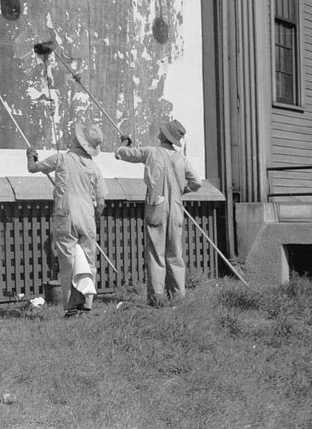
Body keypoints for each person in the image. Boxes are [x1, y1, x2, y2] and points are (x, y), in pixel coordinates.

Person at [114, 119, 202, 308]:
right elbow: (197, 182)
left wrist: (124, 143)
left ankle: (157, 297)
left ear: (163, 135)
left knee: (156, 253)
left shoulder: (151, 152)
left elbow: (122, 154)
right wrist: (180, 191)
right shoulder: (181, 159)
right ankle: (178, 296)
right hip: (176, 208)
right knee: (175, 252)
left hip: (156, 206)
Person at [27, 121, 107, 317]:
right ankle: (87, 303)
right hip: (87, 215)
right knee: (88, 259)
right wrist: (95, 215)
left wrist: (31, 156)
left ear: (78, 141)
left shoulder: (61, 158)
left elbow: (33, 168)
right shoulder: (94, 167)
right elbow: (102, 201)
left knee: (68, 260)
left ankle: (72, 306)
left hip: (66, 213)